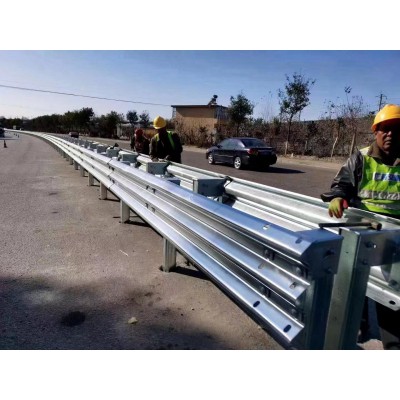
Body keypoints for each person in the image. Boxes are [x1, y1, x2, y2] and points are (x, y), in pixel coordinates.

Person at [321, 104, 400, 349]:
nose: (390, 134)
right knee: (357, 285)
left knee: (390, 290)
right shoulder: (361, 158)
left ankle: (393, 344)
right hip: (362, 231)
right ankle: (359, 325)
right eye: (385, 129)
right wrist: (337, 196)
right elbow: (342, 183)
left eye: (396, 129)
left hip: (395, 236)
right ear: (376, 132)